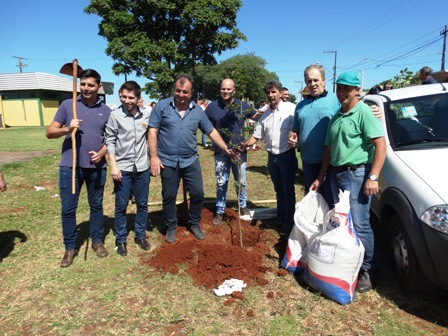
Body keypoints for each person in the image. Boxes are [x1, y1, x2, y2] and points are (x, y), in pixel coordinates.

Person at [311, 71, 386, 293]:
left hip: (356, 173)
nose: (341, 92)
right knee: (344, 221)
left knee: (360, 222)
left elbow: (380, 145)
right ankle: (349, 263)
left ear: (357, 91)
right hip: (336, 174)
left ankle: (368, 270)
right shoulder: (337, 116)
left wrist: (373, 176)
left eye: (346, 88)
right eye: (339, 88)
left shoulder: (363, 112)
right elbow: (329, 149)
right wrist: (321, 176)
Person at [148, 74, 236, 243]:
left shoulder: (197, 111)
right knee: (168, 195)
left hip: (190, 160)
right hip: (167, 160)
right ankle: (171, 226)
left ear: (192, 93)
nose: (181, 95)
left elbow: (210, 131)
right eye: (178, 91)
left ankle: (194, 222)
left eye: (185, 92)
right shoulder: (162, 106)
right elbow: (152, 131)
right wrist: (154, 157)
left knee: (197, 193)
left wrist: (225, 148)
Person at [289, 64, 381, 206]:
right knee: (313, 199)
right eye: (309, 81)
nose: (312, 84)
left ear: (324, 80)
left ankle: (331, 227)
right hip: (308, 161)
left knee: (332, 202)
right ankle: (315, 228)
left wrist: (374, 110)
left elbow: (355, 107)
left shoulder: (336, 98)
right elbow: (295, 129)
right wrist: (293, 136)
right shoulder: (300, 106)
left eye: (316, 80)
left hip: (331, 162)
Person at [46, 69, 111, 268]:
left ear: (98, 87)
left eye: (91, 85)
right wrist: (67, 128)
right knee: (68, 209)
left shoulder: (107, 111)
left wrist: (102, 152)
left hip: (96, 166)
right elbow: (50, 132)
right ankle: (70, 248)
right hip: (70, 166)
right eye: (83, 84)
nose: (86, 88)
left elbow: (111, 138)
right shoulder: (68, 106)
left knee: (96, 205)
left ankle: (97, 241)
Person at [243, 80, 297, 239]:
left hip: (286, 156)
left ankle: (289, 222)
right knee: (278, 190)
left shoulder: (292, 109)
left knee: (288, 191)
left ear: (280, 93)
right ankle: (281, 218)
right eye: (268, 92)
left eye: (273, 92)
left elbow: (299, 129)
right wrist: (243, 145)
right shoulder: (264, 115)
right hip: (272, 158)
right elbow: (256, 136)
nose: (271, 95)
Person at [106, 81, 151, 256]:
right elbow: (110, 140)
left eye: (131, 97)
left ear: (138, 98)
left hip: (141, 168)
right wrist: (114, 166)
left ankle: (140, 236)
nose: (127, 100)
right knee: (121, 206)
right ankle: (121, 239)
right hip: (122, 168)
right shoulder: (115, 116)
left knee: (142, 204)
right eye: (123, 96)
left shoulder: (146, 116)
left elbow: (152, 136)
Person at [204, 78, 256, 225]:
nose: (225, 91)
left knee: (241, 181)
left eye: (228, 89)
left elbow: (258, 117)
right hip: (221, 152)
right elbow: (203, 124)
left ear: (234, 90)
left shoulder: (242, 106)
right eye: (223, 89)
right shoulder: (213, 107)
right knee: (221, 182)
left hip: (239, 152)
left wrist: (251, 140)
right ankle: (220, 210)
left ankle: (243, 205)